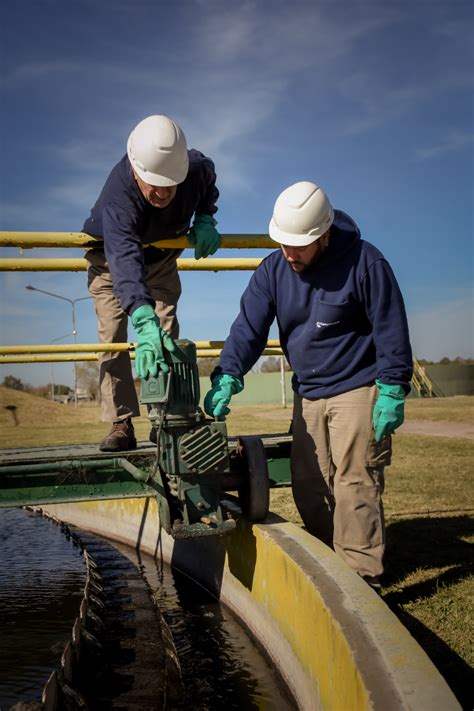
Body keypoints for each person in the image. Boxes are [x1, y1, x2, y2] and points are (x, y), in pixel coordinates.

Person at [204, 181, 412, 588]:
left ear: (324, 234)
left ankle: (362, 578)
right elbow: (248, 328)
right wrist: (228, 374)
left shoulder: (365, 263)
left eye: (299, 245)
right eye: (283, 242)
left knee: (355, 479)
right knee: (309, 482)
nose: (289, 253)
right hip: (309, 391)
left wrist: (392, 387)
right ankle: (331, 560)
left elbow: (391, 326)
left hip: (357, 383)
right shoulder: (274, 271)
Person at [83, 114, 220, 452]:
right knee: (113, 337)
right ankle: (121, 422)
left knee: (167, 336)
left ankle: (165, 419)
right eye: (153, 183)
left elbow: (208, 179)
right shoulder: (119, 195)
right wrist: (142, 320)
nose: (162, 192)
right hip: (111, 263)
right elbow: (124, 259)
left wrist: (205, 216)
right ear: (135, 169)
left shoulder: (196, 167)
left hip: (161, 261)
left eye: (170, 183)